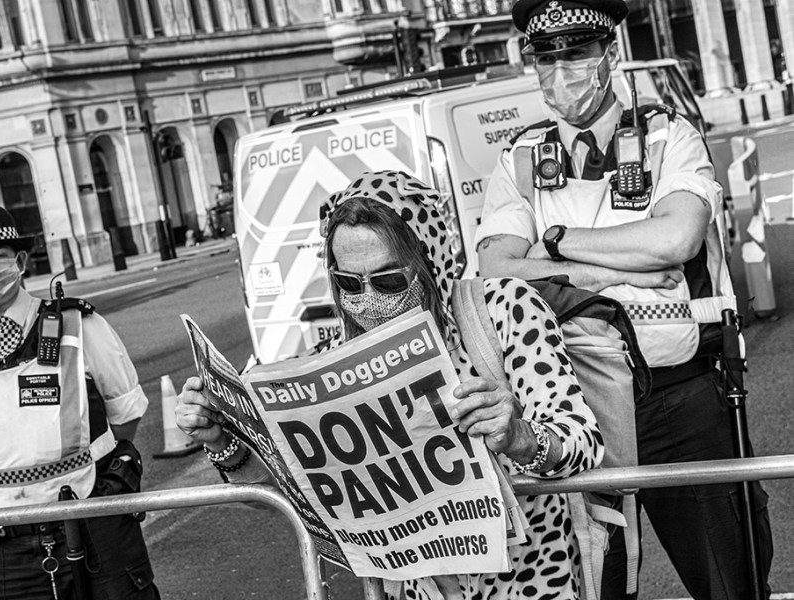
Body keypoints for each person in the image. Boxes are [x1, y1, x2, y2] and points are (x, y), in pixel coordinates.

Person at [177, 170, 604, 599]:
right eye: (348, 283)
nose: (369, 299)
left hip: (528, 582)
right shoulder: (331, 357)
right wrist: (222, 441)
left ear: (428, 261)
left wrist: (520, 437)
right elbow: (283, 495)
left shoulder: (504, 308)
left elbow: (584, 443)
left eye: (388, 280)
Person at [474, 1, 773, 599]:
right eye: (546, 59)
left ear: (610, 55)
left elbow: (676, 238)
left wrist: (553, 244)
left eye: (576, 54)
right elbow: (495, 268)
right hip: (579, 405)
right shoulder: (520, 157)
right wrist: (601, 273)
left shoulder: (669, 135)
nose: (562, 74)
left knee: (729, 579)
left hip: (680, 398)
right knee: (597, 581)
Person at [0, 205, 160, 599]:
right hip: (5, 549)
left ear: (19, 261)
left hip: (92, 527)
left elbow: (125, 416)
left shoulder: (79, 324)